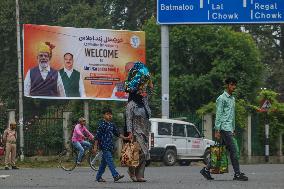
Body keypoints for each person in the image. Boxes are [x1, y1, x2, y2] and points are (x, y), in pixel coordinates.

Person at [200, 77, 248, 181]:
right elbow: (219, 115)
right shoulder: (221, 98)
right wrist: (217, 130)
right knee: (233, 151)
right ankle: (237, 174)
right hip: (223, 128)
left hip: (229, 128)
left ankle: (206, 170)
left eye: (235, 85)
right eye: (231, 84)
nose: (233, 87)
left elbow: (232, 115)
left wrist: (233, 128)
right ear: (227, 85)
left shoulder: (233, 99)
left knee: (219, 152)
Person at [125, 62, 153, 182]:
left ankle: (140, 175)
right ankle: (132, 172)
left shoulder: (144, 101)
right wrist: (129, 132)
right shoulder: (131, 104)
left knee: (144, 154)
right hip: (135, 132)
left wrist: (149, 83)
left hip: (145, 131)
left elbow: (149, 92)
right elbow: (128, 119)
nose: (143, 91)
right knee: (137, 152)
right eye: (141, 90)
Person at [93, 108, 126, 182]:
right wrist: (95, 147)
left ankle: (98, 177)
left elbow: (117, 133)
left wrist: (126, 137)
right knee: (110, 160)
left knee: (103, 163)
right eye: (108, 114)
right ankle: (115, 175)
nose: (110, 116)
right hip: (104, 146)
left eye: (111, 114)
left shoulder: (112, 124)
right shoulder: (101, 125)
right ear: (104, 115)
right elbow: (97, 137)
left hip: (110, 146)